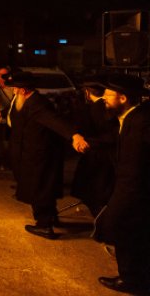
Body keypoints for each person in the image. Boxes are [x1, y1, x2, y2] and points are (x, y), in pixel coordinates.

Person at [6, 71, 85, 240]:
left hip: (37, 157)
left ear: (24, 90)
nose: (13, 90)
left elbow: (56, 121)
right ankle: (51, 218)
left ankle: (44, 225)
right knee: (39, 188)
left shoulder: (37, 104)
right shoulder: (24, 100)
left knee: (39, 189)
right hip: (28, 153)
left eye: (15, 88)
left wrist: (74, 135)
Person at [90, 74, 150, 294]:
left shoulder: (142, 121)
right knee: (131, 233)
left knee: (124, 230)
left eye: (108, 95)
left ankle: (131, 279)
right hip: (130, 187)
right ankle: (133, 275)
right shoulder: (127, 118)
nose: (103, 99)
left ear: (123, 98)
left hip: (135, 190)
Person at [69, 78, 118, 217]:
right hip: (109, 156)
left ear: (87, 93)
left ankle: (102, 223)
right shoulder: (111, 108)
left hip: (95, 156)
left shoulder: (88, 110)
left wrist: (82, 141)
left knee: (93, 193)